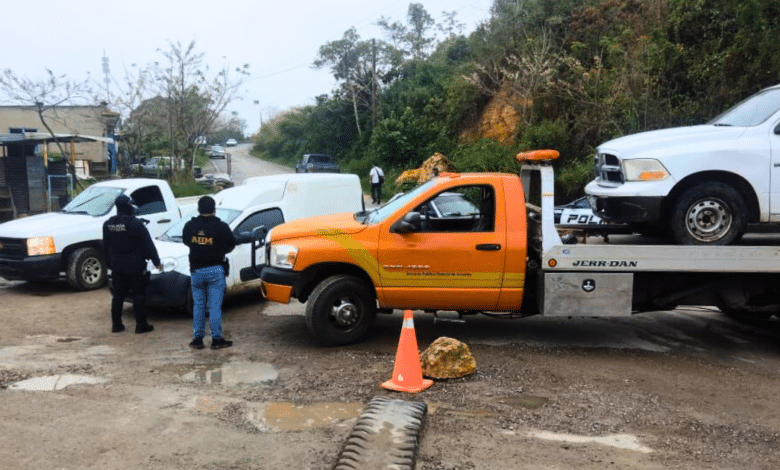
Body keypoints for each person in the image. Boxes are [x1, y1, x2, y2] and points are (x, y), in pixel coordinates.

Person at [183, 196, 236, 350]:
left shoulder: (190, 226)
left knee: (198, 306)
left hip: (196, 271)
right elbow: (231, 245)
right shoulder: (221, 226)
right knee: (214, 307)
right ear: (214, 209)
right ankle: (216, 340)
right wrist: (218, 249)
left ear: (199, 209)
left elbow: (187, 242)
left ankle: (198, 340)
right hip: (215, 270)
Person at [103, 194, 161, 334]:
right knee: (138, 295)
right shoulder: (136, 223)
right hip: (135, 263)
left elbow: (106, 247)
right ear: (129, 206)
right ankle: (141, 325)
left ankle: (116, 325)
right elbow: (148, 245)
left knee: (118, 295)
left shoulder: (108, 224)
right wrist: (156, 262)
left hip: (117, 263)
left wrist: (110, 264)